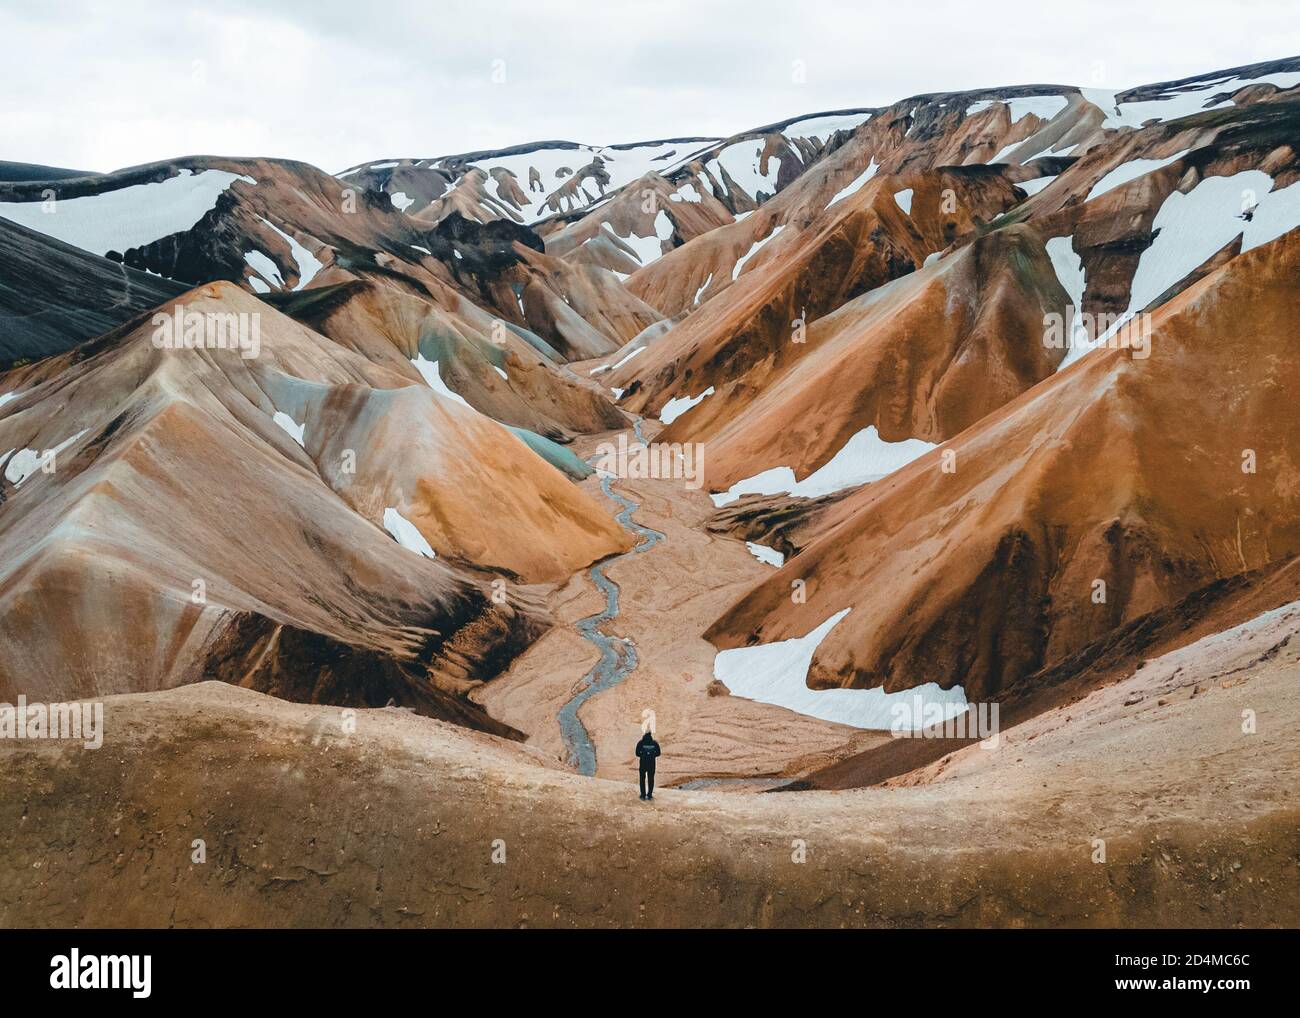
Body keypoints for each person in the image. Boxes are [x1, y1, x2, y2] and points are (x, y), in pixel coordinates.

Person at [636, 730, 661, 800]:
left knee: (642, 780)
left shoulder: (641, 743)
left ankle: (643, 795)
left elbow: (637, 753)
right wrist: (652, 756)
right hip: (651, 764)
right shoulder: (654, 743)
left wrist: (643, 755)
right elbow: (658, 753)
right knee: (651, 780)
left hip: (643, 764)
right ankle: (649, 795)